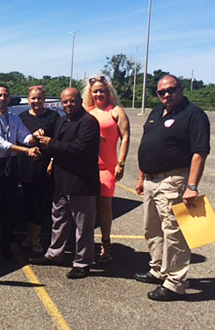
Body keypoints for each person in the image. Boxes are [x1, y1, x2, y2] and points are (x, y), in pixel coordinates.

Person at [134, 74, 210, 301]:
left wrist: (192, 186)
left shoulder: (194, 115)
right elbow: (146, 145)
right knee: (152, 229)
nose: (166, 94)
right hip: (150, 179)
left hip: (174, 181)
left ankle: (175, 282)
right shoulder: (156, 112)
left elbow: (200, 152)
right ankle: (158, 270)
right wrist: (140, 176)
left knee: (174, 232)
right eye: (161, 92)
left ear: (182, 89)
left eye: (171, 89)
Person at [29, 87, 100, 279]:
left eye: (72, 101)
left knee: (83, 225)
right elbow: (57, 147)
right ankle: (55, 254)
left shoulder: (89, 122)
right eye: (65, 102)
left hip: (81, 182)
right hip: (61, 181)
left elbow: (79, 149)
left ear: (80, 100)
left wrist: (50, 143)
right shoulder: (62, 120)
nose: (68, 105)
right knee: (58, 219)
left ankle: (82, 262)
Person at [0, 84, 41, 260]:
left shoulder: (14, 118)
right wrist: (26, 151)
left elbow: (24, 136)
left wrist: (34, 137)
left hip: (10, 165)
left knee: (8, 207)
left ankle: (7, 246)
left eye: (5, 96)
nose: (2, 99)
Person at [82, 75, 130, 263]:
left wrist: (121, 162)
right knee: (87, 209)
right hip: (87, 168)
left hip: (107, 169)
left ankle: (106, 245)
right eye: (95, 91)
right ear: (90, 93)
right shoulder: (87, 111)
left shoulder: (116, 111)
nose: (99, 93)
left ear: (108, 91)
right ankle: (87, 245)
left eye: (102, 90)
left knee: (105, 208)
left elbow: (125, 137)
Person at [18, 86, 60, 253]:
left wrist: (52, 160)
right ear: (28, 99)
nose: (36, 101)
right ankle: (29, 236)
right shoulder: (21, 117)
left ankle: (36, 239)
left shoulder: (53, 117)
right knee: (28, 202)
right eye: (33, 98)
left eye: (40, 98)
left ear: (45, 99)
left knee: (39, 203)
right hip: (25, 165)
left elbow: (57, 141)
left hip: (43, 166)